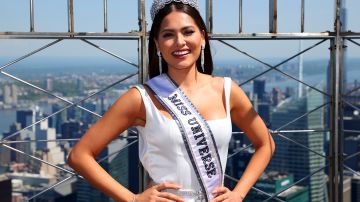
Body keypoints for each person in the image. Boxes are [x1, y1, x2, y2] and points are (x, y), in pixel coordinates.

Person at [68, 0, 275, 201]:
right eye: (168, 35)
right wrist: (133, 199)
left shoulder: (227, 90)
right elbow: (79, 156)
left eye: (188, 32)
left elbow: (266, 144)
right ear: (157, 44)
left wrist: (238, 194)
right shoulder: (141, 98)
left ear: (202, 37)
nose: (180, 42)